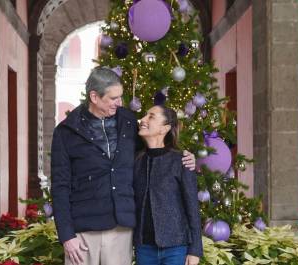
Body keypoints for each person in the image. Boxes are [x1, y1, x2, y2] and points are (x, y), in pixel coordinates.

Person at [51, 66, 196, 265]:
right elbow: (60, 186)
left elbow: (154, 149)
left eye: (120, 97)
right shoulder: (65, 132)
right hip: (82, 232)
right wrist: (67, 236)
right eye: (113, 98)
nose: (120, 103)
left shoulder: (128, 121)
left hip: (121, 230)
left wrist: (185, 156)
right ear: (94, 96)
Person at [133, 105, 203, 265]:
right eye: (144, 115)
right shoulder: (136, 161)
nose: (143, 119)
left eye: (151, 116)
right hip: (144, 248)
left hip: (176, 248)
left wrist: (195, 250)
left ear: (165, 128)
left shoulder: (182, 161)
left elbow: (192, 207)